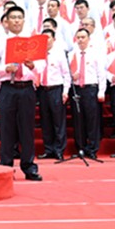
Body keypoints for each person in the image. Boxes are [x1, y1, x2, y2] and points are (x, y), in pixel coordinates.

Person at [0, 6, 42, 181]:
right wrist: (5, 68)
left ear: (24, 20)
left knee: (27, 129)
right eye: (13, 18)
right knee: (7, 128)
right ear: (7, 22)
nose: (17, 21)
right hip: (8, 88)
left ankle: (29, 166)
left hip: (27, 88)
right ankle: (6, 166)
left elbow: (42, 66)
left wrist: (32, 66)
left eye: (19, 17)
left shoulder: (32, 41)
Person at [68, 29, 107, 159]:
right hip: (76, 89)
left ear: (88, 39)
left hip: (90, 89)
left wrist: (101, 91)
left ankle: (93, 148)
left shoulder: (95, 54)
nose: (80, 40)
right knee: (78, 119)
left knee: (92, 119)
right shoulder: (72, 55)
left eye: (83, 37)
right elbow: (66, 73)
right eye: (78, 37)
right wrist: (72, 77)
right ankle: (81, 148)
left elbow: (101, 74)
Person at [34, 29, 71, 160]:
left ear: (54, 40)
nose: (45, 40)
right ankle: (48, 149)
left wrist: (65, 91)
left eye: (48, 38)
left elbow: (66, 74)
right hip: (42, 90)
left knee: (58, 121)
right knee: (45, 121)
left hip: (56, 89)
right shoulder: (37, 55)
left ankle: (59, 149)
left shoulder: (59, 54)